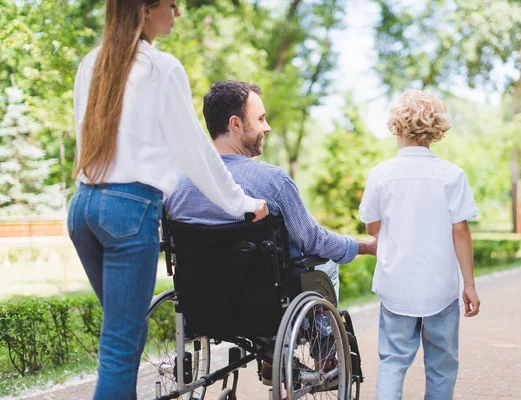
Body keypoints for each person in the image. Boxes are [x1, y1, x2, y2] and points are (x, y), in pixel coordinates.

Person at [67, 2, 269, 399]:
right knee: (121, 347)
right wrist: (242, 202)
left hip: (83, 208)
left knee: (122, 335)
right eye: (171, 5)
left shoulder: (91, 63)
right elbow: (195, 149)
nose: (177, 13)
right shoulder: (162, 68)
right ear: (145, 9)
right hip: (128, 210)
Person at [165, 79, 378, 384]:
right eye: (261, 119)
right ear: (236, 124)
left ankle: (270, 358)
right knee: (324, 259)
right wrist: (366, 247)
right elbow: (314, 240)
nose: (268, 127)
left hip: (202, 306)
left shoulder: (178, 185)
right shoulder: (272, 181)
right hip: (264, 306)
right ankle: (326, 355)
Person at [359, 90, 481, 400]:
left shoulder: (381, 175)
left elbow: (373, 227)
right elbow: (461, 232)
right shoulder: (452, 175)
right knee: (441, 366)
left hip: (396, 286)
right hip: (440, 288)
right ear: (436, 131)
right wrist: (469, 284)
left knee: (392, 363)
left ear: (396, 128)